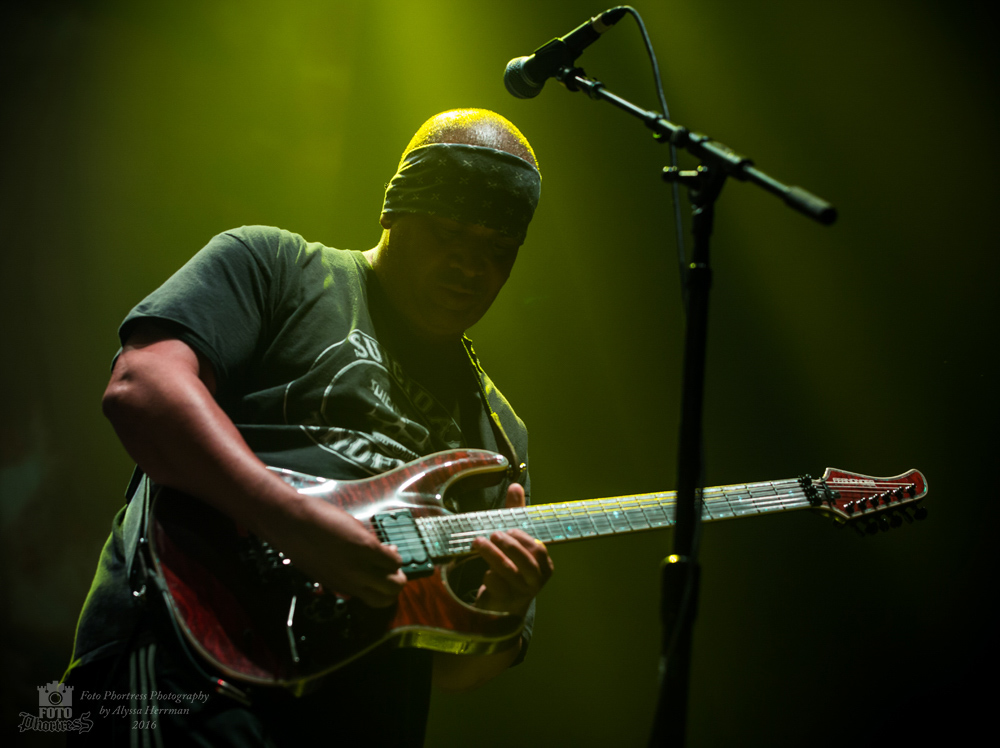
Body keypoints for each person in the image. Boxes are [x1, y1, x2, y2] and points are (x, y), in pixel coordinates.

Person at [63, 108, 553, 746]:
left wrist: (501, 612)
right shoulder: (277, 268)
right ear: (394, 211)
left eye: (496, 249)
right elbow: (141, 388)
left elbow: (452, 672)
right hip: (186, 672)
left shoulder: (500, 431)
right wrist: (293, 521)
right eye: (448, 232)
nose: (470, 263)